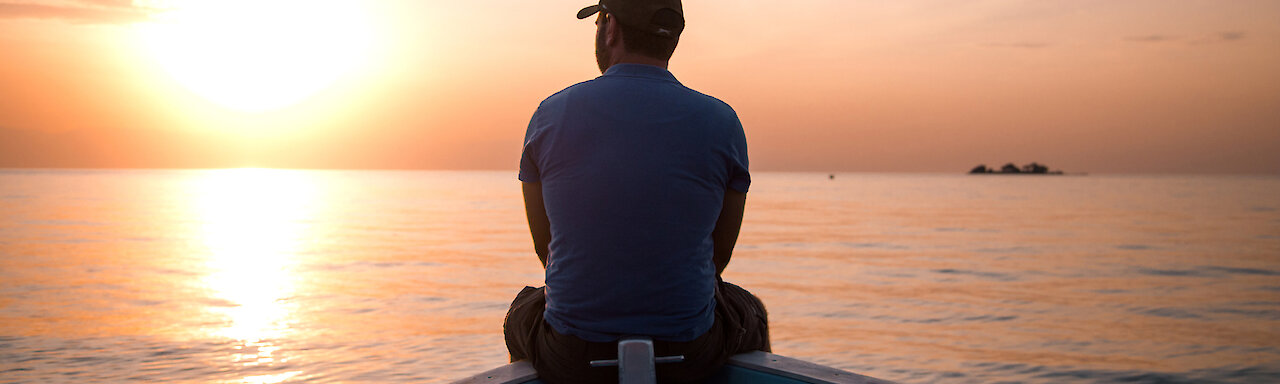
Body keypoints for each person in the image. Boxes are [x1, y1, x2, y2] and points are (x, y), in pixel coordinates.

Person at [504, 1, 770, 382]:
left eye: (599, 20)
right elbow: (718, 257)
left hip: (574, 356)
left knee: (522, 310)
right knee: (749, 311)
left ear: (610, 27)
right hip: (688, 354)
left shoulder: (551, 114)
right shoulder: (723, 122)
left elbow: (545, 251)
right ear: (673, 37)